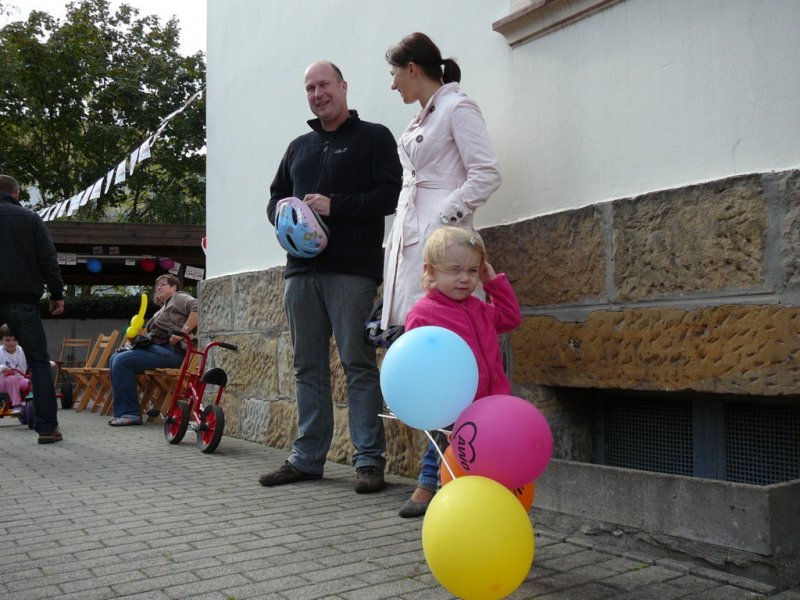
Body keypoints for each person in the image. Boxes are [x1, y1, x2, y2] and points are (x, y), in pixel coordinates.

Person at [262, 60, 402, 494]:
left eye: (324, 85)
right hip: (299, 273)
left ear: (343, 86)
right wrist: (284, 215)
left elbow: (392, 195)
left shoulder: (374, 137)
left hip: (351, 272)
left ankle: (368, 461)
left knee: (358, 365)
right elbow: (274, 199)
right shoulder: (298, 147)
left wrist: (334, 205)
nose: (317, 94)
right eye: (310, 88)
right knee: (307, 367)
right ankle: (307, 459)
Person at [380, 32, 502, 333]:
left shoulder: (457, 107)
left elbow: (487, 172)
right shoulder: (420, 119)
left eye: (394, 74)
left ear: (412, 69)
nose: (393, 85)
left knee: (448, 333)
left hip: (445, 245)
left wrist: (444, 216)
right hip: (412, 245)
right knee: (416, 333)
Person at [398, 226, 522, 517]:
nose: (465, 278)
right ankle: (440, 496)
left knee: (483, 454)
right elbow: (415, 363)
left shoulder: (479, 308)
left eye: (472, 270)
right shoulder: (424, 313)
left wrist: (492, 282)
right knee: (449, 450)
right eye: (455, 270)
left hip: (490, 400)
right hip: (451, 404)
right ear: (430, 271)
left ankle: (475, 499)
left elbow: (511, 318)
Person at [0, 174, 65, 444]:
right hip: (23, 298)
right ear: (16, 194)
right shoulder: (30, 219)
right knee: (38, 362)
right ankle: (47, 428)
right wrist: (57, 293)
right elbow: (47, 258)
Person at [107, 273, 198, 426]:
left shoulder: (179, 297)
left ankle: (130, 414)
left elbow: (198, 307)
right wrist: (131, 344)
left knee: (122, 361)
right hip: (158, 350)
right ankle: (124, 412)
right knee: (114, 358)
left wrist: (183, 332)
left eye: (163, 284)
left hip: (172, 352)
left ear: (174, 287)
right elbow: (152, 337)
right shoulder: (161, 309)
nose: (158, 287)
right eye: (157, 285)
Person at [0, 324, 30, 416]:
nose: (12, 343)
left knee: (29, 383)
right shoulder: (0, 352)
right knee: (11, 379)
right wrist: (2, 367)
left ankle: (33, 404)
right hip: (3, 381)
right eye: (7, 340)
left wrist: (45, 363)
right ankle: (17, 406)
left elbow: (33, 358)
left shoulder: (21, 350)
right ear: (1, 340)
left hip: (20, 379)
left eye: (14, 340)